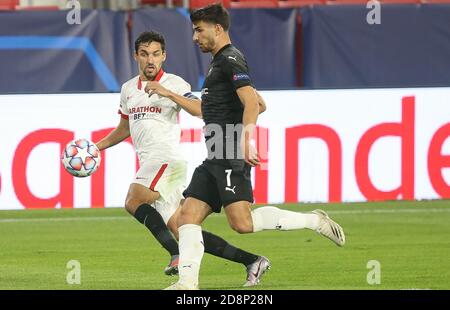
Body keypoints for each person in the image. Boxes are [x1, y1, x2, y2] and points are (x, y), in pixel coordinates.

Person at [165, 4, 346, 290]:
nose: (194, 37)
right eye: (194, 31)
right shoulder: (218, 62)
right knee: (186, 216)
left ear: (218, 28)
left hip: (229, 154)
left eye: (199, 30)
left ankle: (313, 221)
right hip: (215, 156)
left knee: (242, 224)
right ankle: (187, 285)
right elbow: (260, 103)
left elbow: (251, 103)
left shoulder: (230, 59)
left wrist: (246, 139)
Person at [95, 30, 270, 287]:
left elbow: (202, 109)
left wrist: (167, 93)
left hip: (166, 159)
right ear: (136, 56)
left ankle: (175, 256)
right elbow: (124, 128)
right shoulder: (128, 89)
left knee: (133, 200)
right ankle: (252, 260)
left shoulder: (175, 83)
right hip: (152, 164)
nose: (150, 60)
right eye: (144, 54)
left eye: (155, 54)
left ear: (164, 56)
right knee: (183, 229)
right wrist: (96, 148)